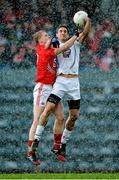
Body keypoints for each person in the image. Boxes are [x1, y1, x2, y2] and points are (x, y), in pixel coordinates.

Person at [32, 16, 91, 161]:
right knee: (48, 109)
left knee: (74, 116)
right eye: (60, 31)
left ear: (68, 33)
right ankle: (36, 141)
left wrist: (87, 20)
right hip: (60, 81)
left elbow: (86, 33)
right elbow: (44, 49)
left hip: (74, 82)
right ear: (57, 34)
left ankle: (61, 145)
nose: (63, 33)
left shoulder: (76, 42)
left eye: (65, 31)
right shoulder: (53, 44)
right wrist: (47, 39)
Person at [27, 29, 79, 165]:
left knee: (61, 117)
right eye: (45, 35)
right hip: (42, 87)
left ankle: (56, 147)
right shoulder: (43, 50)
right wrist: (75, 35)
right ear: (39, 40)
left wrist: (54, 40)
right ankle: (30, 151)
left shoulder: (49, 47)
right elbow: (66, 46)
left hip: (53, 87)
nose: (48, 36)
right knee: (37, 119)